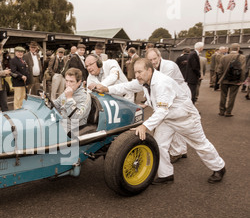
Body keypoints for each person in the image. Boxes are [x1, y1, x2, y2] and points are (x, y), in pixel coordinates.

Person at [96, 58, 226, 184]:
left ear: (149, 70)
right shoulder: (144, 80)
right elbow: (127, 86)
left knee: (200, 144)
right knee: (159, 145)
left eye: (140, 72)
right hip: (167, 118)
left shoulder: (162, 83)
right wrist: (107, 89)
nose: (137, 75)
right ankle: (166, 175)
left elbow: (162, 110)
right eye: (135, 72)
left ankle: (219, 168)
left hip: (185, 118)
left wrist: (144, 126)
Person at [146, 47, 191, 163]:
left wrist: (153, 107)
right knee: (176, 123)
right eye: (150, 60)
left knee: (172, 122)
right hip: (173, 94)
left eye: (154, 58)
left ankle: (176, 152)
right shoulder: (155, 67)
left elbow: (161, 87)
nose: (153, 62)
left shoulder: (168, 67)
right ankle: (182, 150)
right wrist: (147, 103)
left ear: (159, 56)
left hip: (180, 94)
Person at [216, 43, 247, 117]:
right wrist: (241, 81)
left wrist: (221, 77)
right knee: (232, 96)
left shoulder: (224, 57)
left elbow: (219, 70)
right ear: (238, 49)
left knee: (223, 96)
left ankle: (221, 111)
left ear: (230, 49)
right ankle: (228, 112)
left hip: (224, 80)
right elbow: (243, 70)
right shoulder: (242, 57)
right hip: (235, 81)